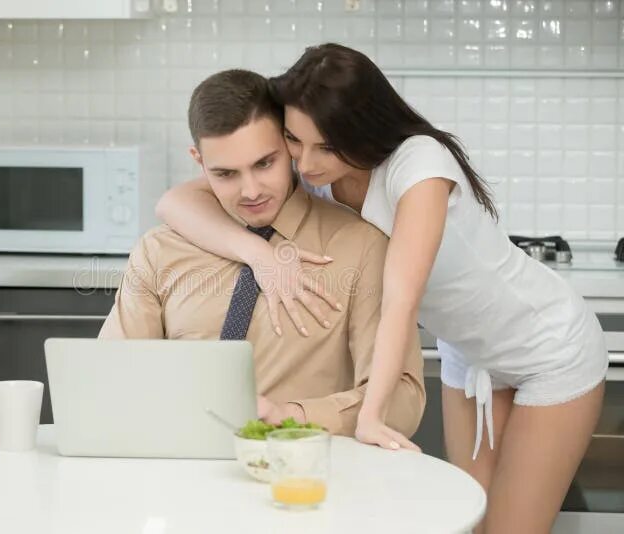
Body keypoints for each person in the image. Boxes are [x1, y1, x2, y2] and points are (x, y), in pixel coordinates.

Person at [154, 44, 608, 533]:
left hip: (547, 346)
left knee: (512, 530)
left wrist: (370, 418)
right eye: (294, 141)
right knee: (470, 521)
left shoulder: (420, 168)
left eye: (324, 146)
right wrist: (258, 254)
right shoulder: (323, 172)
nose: (304, 164)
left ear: (361, 130)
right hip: (471, 354)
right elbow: (175, 203)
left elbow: (400, 301)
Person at [99, 68, 425, 438]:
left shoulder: (360, 248)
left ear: (290, 147)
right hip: (181, 475)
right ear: (199, 161)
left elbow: (404, 401)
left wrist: (293, 417)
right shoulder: (160, 251)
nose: (251, 190)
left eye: (264, 163)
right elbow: (111, 379)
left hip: (303, 479)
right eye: (225, 174)